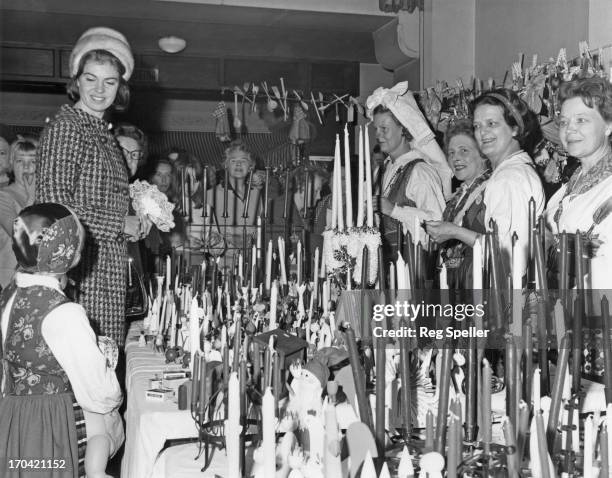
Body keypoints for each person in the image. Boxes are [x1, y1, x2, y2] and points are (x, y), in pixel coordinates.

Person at [36, 27, 150, 347]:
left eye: (110, 81)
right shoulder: (67, 128)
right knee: (89, 375)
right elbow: (53, 206)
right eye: (91, 79)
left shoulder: (103, 133)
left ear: (120, 86)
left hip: (106, 271)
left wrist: (133, 221)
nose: (100, 89)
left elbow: (102, 197)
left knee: (103, 368)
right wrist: (118, 223)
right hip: (80, 275)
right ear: (77, 80)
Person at [0, 203, 123, 478]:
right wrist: (114, 392)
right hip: (52, 425)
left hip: (13, 418)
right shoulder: (64, 312)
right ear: (67, 252)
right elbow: (98, 391)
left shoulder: (9, 292)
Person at [457, 89, 544, 282]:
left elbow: (508, 258)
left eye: (492, 124)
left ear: (515, 128)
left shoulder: (509, 178)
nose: (482, 132)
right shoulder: (512, 171)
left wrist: (454, 232)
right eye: (477, 126)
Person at [365, 82, 452, 263]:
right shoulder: (380, 171)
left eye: (384, 129)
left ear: (404, 128)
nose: (378, 135)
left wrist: (395, 210)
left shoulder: (420, 172)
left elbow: (437, 224)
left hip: (413, 269)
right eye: (376, 129)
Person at [546, 77, 612, 292]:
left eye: (581, 120)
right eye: (564, 122)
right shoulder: (569, 183)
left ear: (608, 125)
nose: (569, 130)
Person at [424, 119, 491, 288]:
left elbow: (500, 249)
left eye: (464, 151)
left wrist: (455, 232)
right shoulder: (455, 199)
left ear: (483, 154)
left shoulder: (492, 191)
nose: (456, 158)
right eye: (451, 153)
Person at [206, 140, 263, 252]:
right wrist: (230, 238)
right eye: (233, 161)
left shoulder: (256, 194)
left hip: (251, 257)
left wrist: (253, 236)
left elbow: (261, 227)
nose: (238, 164)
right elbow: (206, 231)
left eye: (243, 160)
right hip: (223, 260)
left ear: (251, 166)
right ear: (226, 165)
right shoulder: (210, 195)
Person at [0, 135, 38, 288]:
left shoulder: (48, 196)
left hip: (39, 277)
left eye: (33, 161)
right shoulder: (4, 195)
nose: (27, 167)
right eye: (20, 161)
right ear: (11, 164)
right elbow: (17, 233)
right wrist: (31, 198)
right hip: (8, 279)